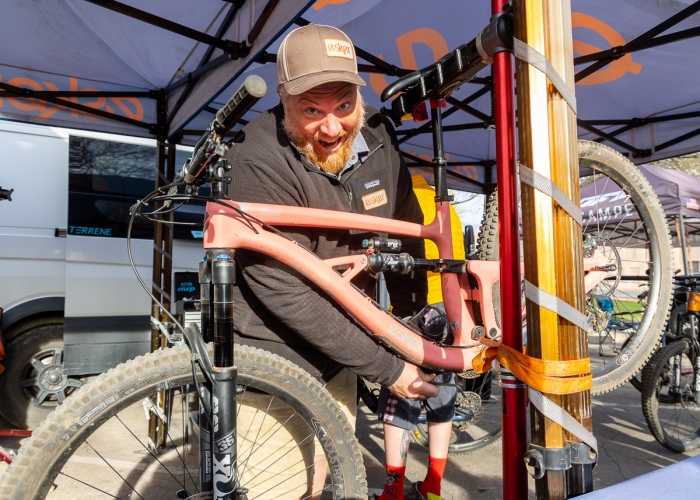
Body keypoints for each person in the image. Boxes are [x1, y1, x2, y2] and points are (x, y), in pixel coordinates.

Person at [223, 23, 439, 497]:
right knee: (275, 488)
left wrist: (409, 328)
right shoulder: (256, 157)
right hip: (275, 364)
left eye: (344, 105)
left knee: (320, 477)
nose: (331, 127)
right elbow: (280, 286)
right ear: (282, 98)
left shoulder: (379, 143)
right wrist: (388, 369)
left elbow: (408, 240)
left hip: (340, 357)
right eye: (311, 110)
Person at [374, 174, 466, 500]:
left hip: (417, 308)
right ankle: (433, 487)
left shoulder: (399, 198)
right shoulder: (445, 208)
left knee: (403, 392)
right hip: (452, 309)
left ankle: (394, 490)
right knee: (442, 395)